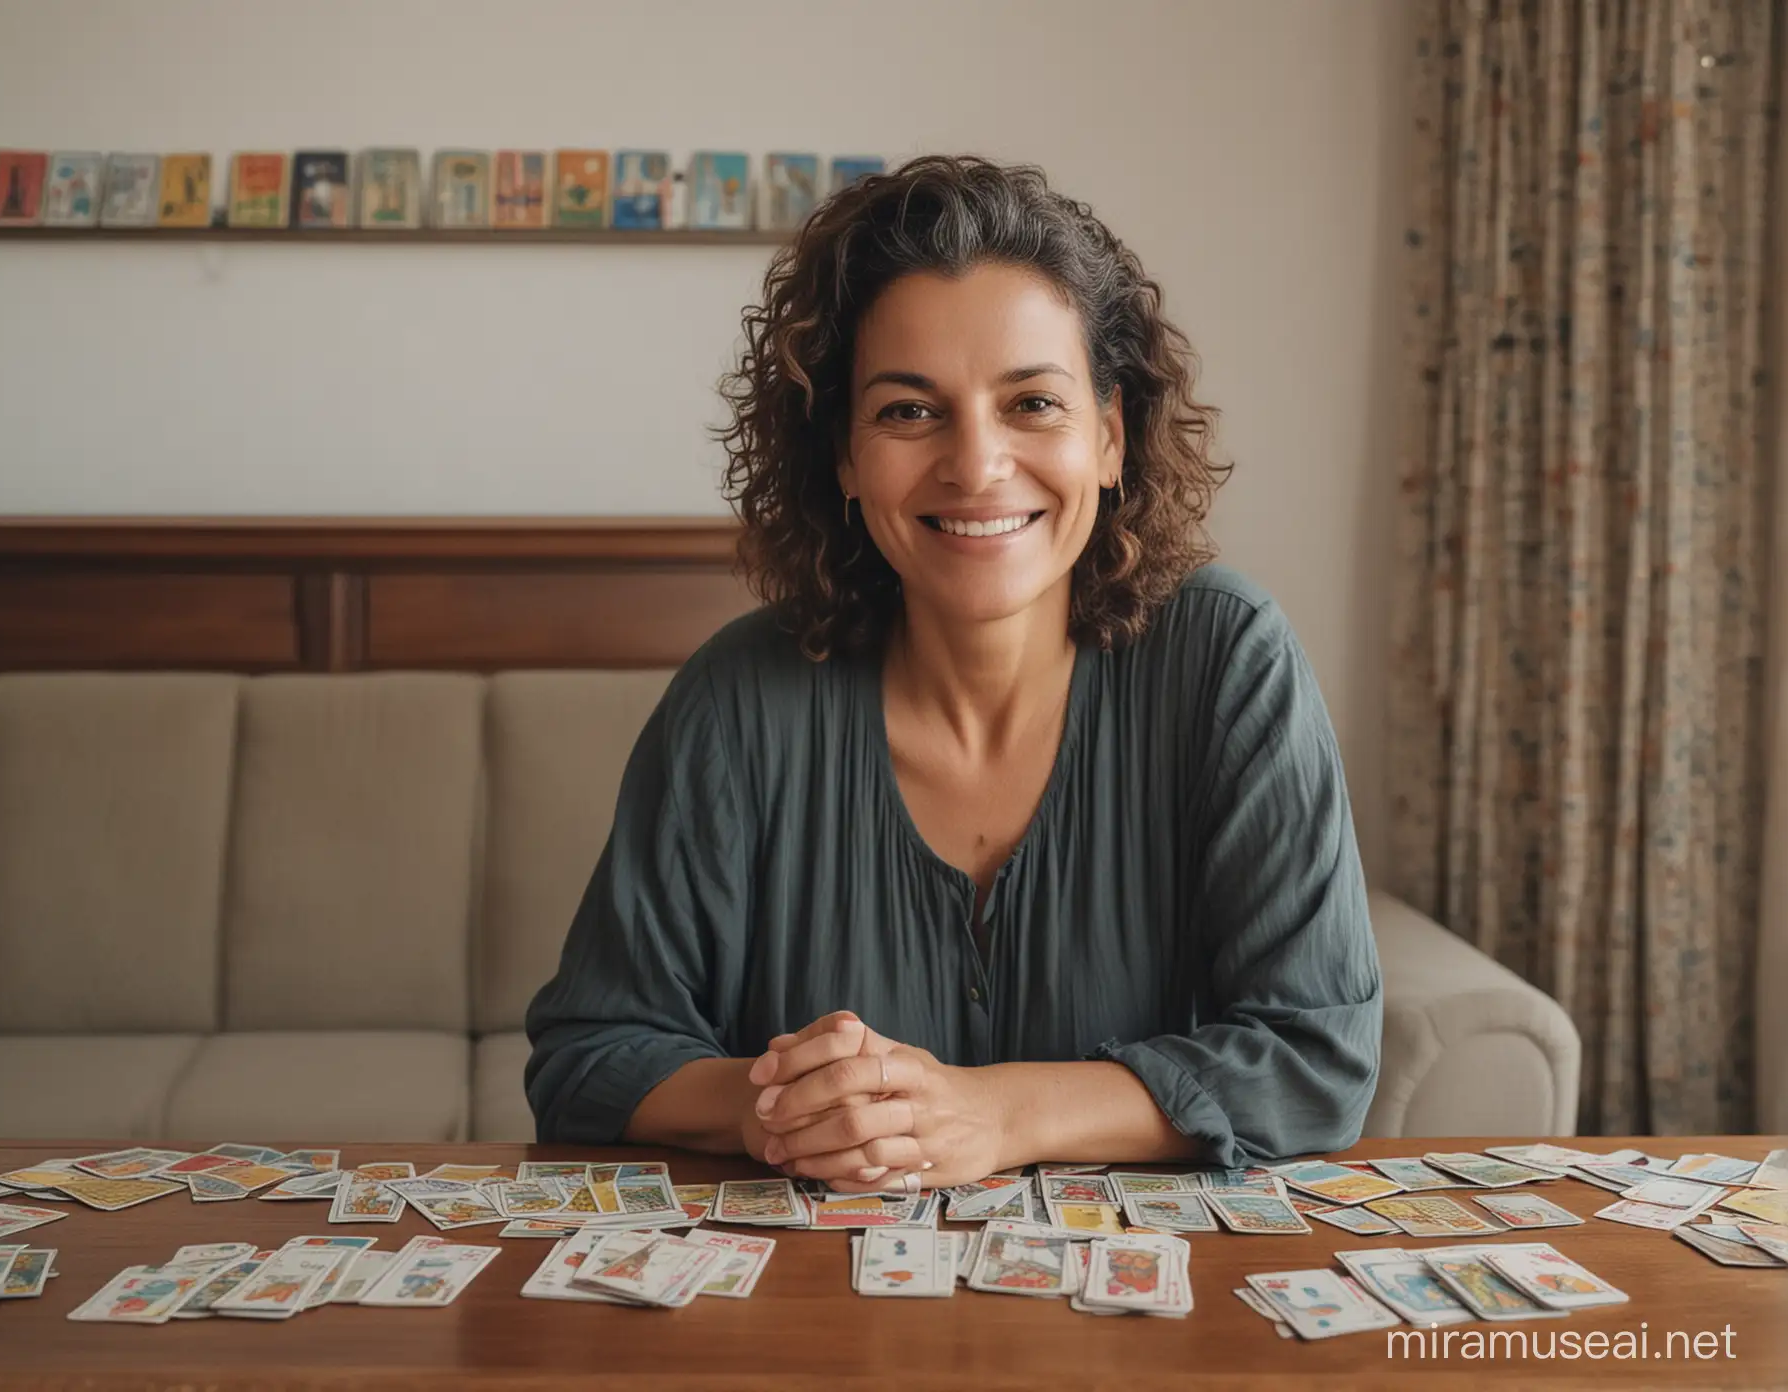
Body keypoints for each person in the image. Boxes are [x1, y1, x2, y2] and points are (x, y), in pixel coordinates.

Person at [525, 155, 1381, 1194]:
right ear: (842, 455)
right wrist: (787, 1110)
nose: (975, 466)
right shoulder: (736, 699)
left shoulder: (1228, 665)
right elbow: (588, 1054)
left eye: (1032, 403)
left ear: (1110, 438)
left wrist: (998, 1113)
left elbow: (1317, 1058)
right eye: (908, 411)